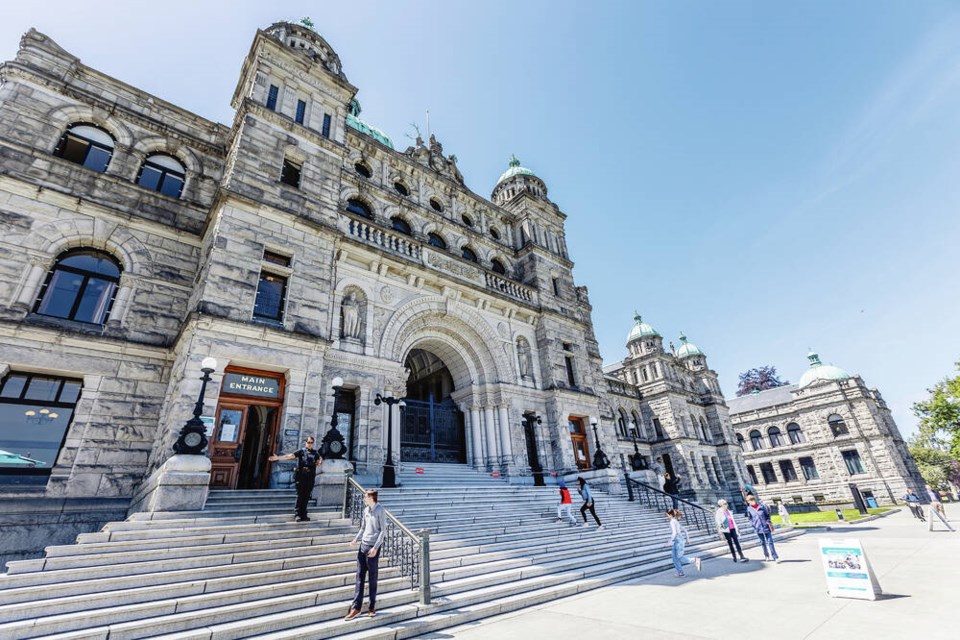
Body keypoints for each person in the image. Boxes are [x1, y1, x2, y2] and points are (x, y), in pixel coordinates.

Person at [345, 489, 386, 620]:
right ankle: (356, 608)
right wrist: (356, 539)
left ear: (372, 498)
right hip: (363, 546)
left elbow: (383, 531)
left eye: (365, 496)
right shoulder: (366, 510)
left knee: (372, 578)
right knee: (359, 577)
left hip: (372, 548)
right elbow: (363, 527)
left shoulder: (380, 510)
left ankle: (372, 607)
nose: (363, 498)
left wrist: (375, 548)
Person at [269, 436, 322, 522]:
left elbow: (319, 458)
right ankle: (297, 514)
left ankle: (304, 514)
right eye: (308, 442)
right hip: (301, 476)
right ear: (305, 442)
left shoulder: (315, 453)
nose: (310, 444)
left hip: (310, 476)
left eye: (311, 443)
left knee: (307, 496)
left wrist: (320, 461)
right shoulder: (301, 451)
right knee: (300, 495)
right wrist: (278, 458)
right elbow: (290, 456)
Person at [667, 508, 701, 577]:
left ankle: (695, 560)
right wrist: (688, 540)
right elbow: (685, 530)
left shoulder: (672, 522)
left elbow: (674, 533)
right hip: (678, 541)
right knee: (674, 558)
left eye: (667, 515)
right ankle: (680, 572)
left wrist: (669, 542)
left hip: (678, 541)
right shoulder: (676, 521)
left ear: (670, 515)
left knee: (679, 557)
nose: (667, 516)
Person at [745, 494, 779, 563]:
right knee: (762, 543)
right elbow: (750, 518)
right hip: (758, 528)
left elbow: (767, 515)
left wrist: (768, 522)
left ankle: (775, 557)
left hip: (766, 527)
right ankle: (766, 556)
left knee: (770, 542)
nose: (748, 503)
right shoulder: (749, 508)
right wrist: (753, 524)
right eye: (748, 502)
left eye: (749, 501)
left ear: (753, 500)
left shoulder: (762, 506)